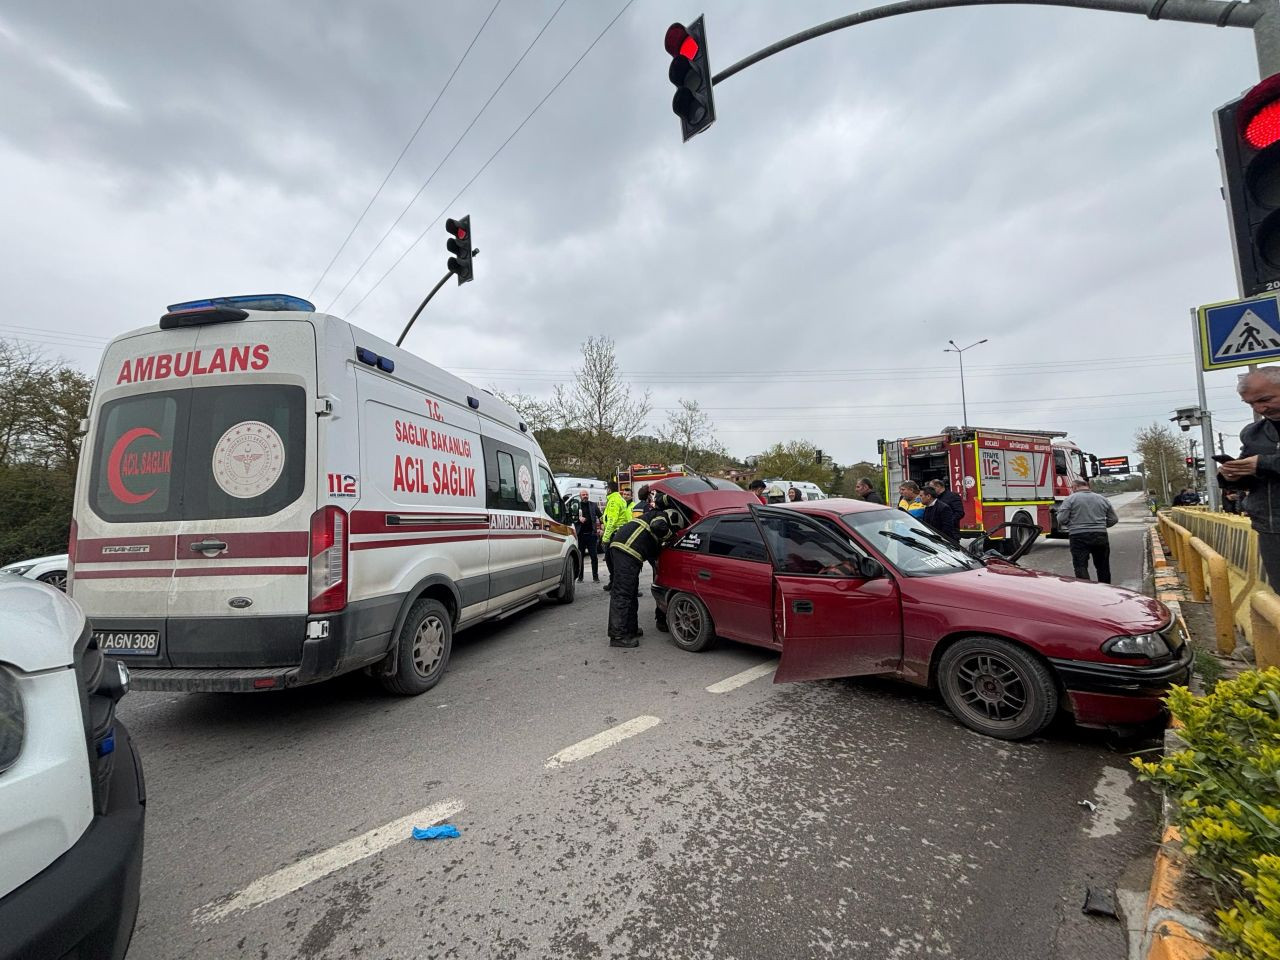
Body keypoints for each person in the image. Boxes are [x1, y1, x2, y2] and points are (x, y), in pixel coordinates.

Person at [1219, 366, 1280, 586]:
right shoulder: (1253, 433)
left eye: (1265, 399)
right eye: (1251, 404)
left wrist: (1262, 463)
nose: (1260, 408)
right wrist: (1233, 475)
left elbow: (1261, 465)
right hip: (1271, 529)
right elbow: (1253, 477)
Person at [606, 509, 673, 647]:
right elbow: (657, 526)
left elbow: (651, 549)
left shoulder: (649, 517)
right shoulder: (661, 515)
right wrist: (670, 536)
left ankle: (630, 629)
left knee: (631, 593)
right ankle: (618, 636)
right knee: (623, 594)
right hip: (626, 551)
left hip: (625, 551)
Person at [1056, 478, 1119, 583]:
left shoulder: (1070, 499)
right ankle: (1105, 588)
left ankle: (1085, 589)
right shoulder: (1102, 499)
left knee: (1080, 566)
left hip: (1078, 536)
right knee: (1103, 566)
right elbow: (1114, 519)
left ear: (1075, 487)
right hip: (1100, 536)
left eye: (1072, 487)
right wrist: (1100, 526)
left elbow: (1061, 519)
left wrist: (1072, 525)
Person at [601, 480, 630, 592]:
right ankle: (613, 583)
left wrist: (605, 538)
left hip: (614, 534)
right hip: (619, 533)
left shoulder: (614, 500)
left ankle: (616, 585)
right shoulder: (619, 499)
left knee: (612, 562)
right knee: (614, 561)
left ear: (609, 489)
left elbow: (612, 521)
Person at [568, 490, 602, 582]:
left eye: (586, 494)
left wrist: (601, 528)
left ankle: (595, 577)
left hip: (592, 535)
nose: (585, 496)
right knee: (580, 557)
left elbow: (601, 516)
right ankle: (580, 577)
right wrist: (578, 519)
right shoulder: (576, 506)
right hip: (580, 536)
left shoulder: (593, 505)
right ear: (580, 496)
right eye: (583, 495)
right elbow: (570, 518)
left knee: (594, 557)